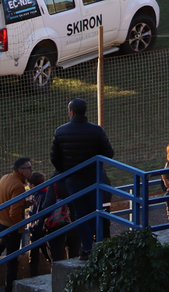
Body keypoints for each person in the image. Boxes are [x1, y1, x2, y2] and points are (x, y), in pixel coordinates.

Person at [49, 97, 114, 259]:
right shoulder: (97, 130)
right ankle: (88, 247)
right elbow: (109, 153)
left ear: (71, 112)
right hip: (93, 177)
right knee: (92, 211)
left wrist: (64, 170)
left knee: (79, 212)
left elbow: (54, 157)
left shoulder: (60, 131)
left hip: (73, 179)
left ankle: (87, 248)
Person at [0, 157, 32, 291]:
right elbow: (14, 214)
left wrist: (24, 203)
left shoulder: (6, 177)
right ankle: (9, 288)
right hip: (10, 225)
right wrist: (21, 226)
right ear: (21, 170)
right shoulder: (19, 186)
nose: (31, 170)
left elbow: (8, 199)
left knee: (5, 239)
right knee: (12, 259)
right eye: (29, 168)